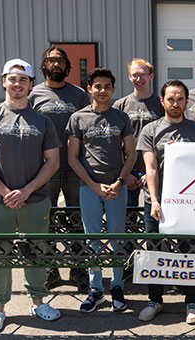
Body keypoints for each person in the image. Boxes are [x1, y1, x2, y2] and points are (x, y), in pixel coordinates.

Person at [0, 59, 62, 332]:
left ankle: (38, 302)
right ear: (3, 81)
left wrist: (26, 190)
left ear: (31, 84)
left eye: (23, 80)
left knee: (37, 251)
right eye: (13, 78)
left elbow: (52, 162)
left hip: (34, 201)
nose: (18, 84)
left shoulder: (43, 121)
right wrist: (6, 192)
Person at [136, 79, 195, 324]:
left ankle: (192, 301)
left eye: (180, 99)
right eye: (170, 99)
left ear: (187, 101)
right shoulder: (150, 130)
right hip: (155, 202)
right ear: (162, 101)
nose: (175, 103)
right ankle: (154, 300)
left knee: (190, 252)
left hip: (187, 204)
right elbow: (151, 167)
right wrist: (155, 201)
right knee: (154, 252)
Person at [66, 67, 136, 313]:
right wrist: (94, 185)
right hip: (89, 188)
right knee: (92, 240)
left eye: (107, 86)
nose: (103, 90)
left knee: (118, 238)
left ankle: (117, 286)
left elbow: (131, 153)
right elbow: (73, 158)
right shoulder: (78, 118)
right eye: (98, 86)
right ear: (90, 89)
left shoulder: (121, 118)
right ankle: (96, 290)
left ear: (113, 89)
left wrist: (119, 181)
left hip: (117, 188)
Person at [28, 46, 90, 293]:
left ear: (67, 66)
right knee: (47, 221)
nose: (56, 64)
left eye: (60, 60)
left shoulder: (79, 95)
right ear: (44, 65)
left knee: (77, 221)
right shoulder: (33, 95)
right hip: (45, 171)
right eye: (51, 60)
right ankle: (50, 271)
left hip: (75, 168)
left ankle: (79, 270)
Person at [113, 58, 164, 207]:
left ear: (151, 76)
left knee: (153, 213)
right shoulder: (120, 105)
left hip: (154, 170)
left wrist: (152, 172)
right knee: (129, 217)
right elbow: (115, 142)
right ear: (129, 77)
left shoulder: (161, 104)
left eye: (142, 74)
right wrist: (125, 173)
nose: (138, 79)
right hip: (128, 171)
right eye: (134, 75)